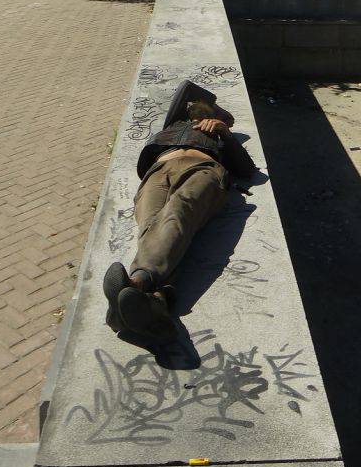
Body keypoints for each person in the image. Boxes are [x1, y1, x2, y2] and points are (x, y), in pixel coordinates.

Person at [104, 81, 256, 339]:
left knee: (178, 211)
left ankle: (139, 280)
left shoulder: (218, 135)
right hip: (158, 171)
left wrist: (224, 131)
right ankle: (156, 302)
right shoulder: (172, 125)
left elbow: (247, 170)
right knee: (151, 223)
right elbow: (187, 89)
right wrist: (209, 105)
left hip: (201, 169)